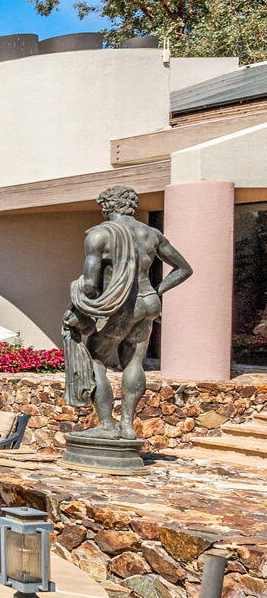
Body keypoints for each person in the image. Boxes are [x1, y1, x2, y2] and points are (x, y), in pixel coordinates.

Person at [62, 186, 192, 440]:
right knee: (134, 362)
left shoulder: (99, 235)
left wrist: (76, 294)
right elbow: (183, 269)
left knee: (95, 359)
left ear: (106, 206)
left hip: (121, 305)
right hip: (148, 302)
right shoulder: (151, 234)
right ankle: (128, 426)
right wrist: (155, 291)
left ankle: (107, 426)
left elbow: (89, 286)